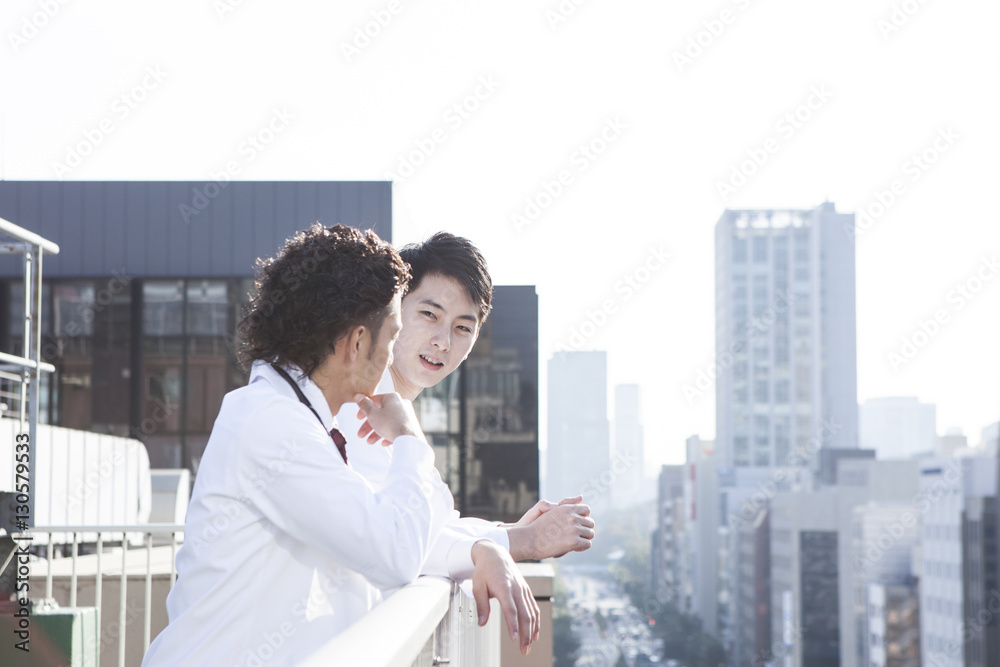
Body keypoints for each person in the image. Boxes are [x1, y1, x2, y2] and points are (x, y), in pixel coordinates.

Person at [142, 224, 526, 666]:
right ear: (358, 342)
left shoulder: (292, 416)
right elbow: (395, 552)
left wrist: (494, 541)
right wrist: (410, 439)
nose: (392, 355)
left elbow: (394, 528)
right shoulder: (274, 424)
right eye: (394, 332)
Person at [337, 232, 596, 639]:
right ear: (393, 310)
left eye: (462, 327)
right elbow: (398, 539)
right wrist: (523, 542)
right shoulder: (358, 404)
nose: (443, 341)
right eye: (429, 314)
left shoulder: (397, 408)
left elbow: (433, 524)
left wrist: (511, 534)